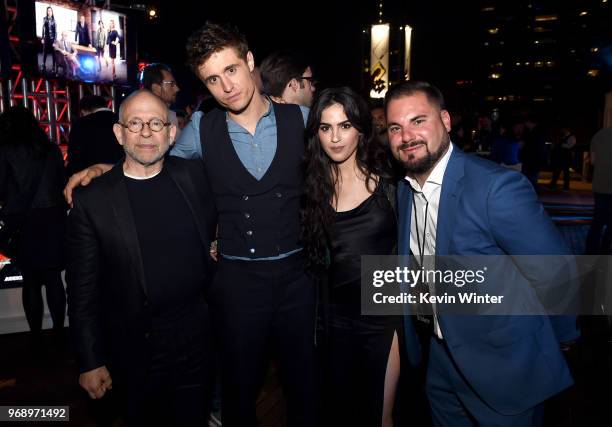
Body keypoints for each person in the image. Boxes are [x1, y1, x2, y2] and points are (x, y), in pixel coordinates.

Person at [64, 22, 316, 427]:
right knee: (238, 393)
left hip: (297, 278)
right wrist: (104, 168)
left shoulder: (301, 119)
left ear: (249, 62)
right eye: (212, 79)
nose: (226, 87)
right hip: (236, 283)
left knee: (304, 391)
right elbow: (151, 156)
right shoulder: (202, 127)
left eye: (231, 70)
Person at [386, 81, 578, 427]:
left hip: (507, 369)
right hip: (441, 362)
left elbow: (556, 269)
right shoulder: (404, 189)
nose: (406, 136)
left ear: (445, 120)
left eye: (418, 121)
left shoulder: (495, 187)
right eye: (395, 127)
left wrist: (563, 338)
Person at [66, 90, 216, 425]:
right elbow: (82, 291)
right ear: (119, 133)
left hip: (197, 338)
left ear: (172, 131)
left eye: (155, 123)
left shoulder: (194, 177)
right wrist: (90, 360)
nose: (146, 132)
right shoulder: (92, 201)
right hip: (133, 347)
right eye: (135, 123)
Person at [301, 87, 400, 427]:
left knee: (378, 415)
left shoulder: (390, 179)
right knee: (338, 412)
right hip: (331, 318)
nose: (335, 137)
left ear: (360, 127)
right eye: (325, 127)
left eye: (344, 126)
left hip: (381, 317)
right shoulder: (313, 185)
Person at [0, 106, 67, 340]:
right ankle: (59, 332)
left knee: (31, 281)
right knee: (53, 279)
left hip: (24, 220)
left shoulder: (6, 150)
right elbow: (62, 182)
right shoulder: (50, 148)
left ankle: (36, 336)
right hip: (53, 218)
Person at [66, 95, 122, 176]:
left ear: (84, 110)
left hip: (91, 179)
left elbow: (74, 157)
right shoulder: (121, 120)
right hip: (121, 176)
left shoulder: (81, 124)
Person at [585, 125, 612, 254]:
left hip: (600, 184)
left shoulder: (598, 135)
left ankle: (590, 249)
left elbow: (593, 161)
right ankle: (605, 250)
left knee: (598, 220)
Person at [142, 63, 181, 132]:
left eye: (175, 84)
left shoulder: (170, 116)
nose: (177, 89)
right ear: (156, 88)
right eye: (171, 84)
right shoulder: (146, 120)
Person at [41, 6, 56, 73]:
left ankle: (53, 67)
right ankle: (43, 65)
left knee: (53, 54)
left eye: (50, 10)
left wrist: (54, 41)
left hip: (52, 39)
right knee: (45, 52)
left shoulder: (54, 21)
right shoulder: (45, 19)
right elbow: (43, 29)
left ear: (52, 12)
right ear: (47, 12)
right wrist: (42, 38)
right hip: (46, 38)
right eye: (48, 11)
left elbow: (55, 32)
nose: (49, 12)